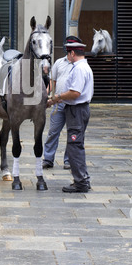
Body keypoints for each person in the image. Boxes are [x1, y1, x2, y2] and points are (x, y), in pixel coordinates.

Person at [51, 38, 94, 193]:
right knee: (77, 145)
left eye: (68, 53)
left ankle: (80, 182)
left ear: (73, 53)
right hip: (79, 110)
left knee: (74, 146)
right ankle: (84, 179)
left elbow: (75, 93)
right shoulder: (83, 66)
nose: (67, 57)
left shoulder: (78, 69)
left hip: (77, 111)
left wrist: (57, 97)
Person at [43, 36, 83, 171]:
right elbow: (52, 81)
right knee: (53, 131)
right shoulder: (59, 63)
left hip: (73, 104)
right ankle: (48, 159)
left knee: (72, 133)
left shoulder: (79, 65)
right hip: (58, 104)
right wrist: (46, 95)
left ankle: (68, 160)